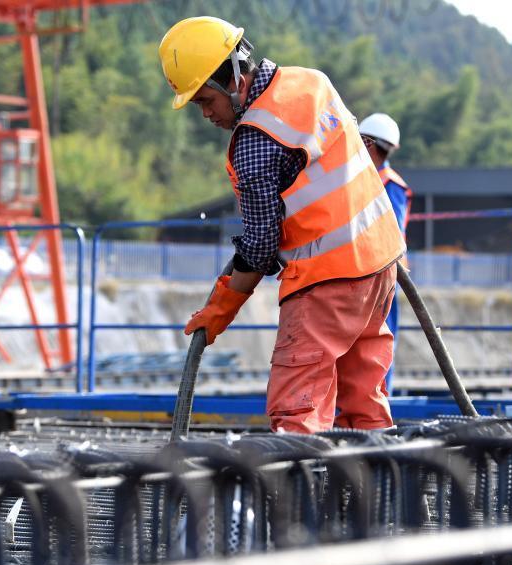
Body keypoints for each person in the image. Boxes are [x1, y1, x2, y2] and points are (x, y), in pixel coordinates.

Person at [160, 16, 406, 433]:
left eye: (205, 101)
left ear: (235, 79)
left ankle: (300, 498)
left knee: (298, 414)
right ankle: (377, 496)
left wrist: (220, 309)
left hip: (325, 281)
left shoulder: (255, 140)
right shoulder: (311, 82)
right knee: (365, 408)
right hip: (380, 270)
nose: (205, 114)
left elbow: (259, 244)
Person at [358, 112, 412, 395]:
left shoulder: (390, 184)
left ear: (368, 143)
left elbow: (391, 234)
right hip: (361, 274)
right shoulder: (366, 178)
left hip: (382, 275)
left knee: (378, 341)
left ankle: (378, 404)